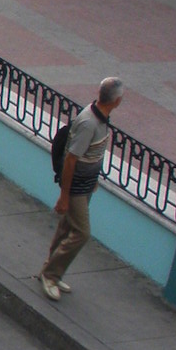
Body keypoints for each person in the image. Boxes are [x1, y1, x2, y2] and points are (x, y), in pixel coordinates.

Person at [38, 77, 124, 301]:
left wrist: (93, 179)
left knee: (66, 228)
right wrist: (64, 196)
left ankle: (49, 270)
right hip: (75, 188)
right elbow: (71, 159)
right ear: (117, 101)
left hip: (85, 185)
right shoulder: (89, 123)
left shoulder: (101, 117)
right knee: (82, 233)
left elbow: (90, 154)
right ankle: (51, 274)